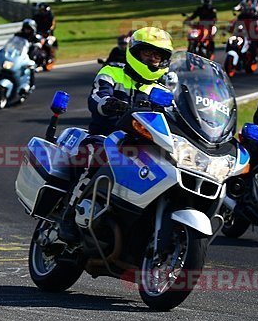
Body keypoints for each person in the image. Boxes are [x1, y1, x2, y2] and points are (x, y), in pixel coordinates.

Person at [59, 27, 173, 243]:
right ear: (135, 52)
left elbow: (175, 116)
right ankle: (70, 213)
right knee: (94, 154)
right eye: (147, 53)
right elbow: (96, 97)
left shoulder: (163, 90)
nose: (152, 59)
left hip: (143, 147)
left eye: (158, 55)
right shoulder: (112, 71)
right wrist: (109, 103)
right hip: (106, 136)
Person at [13, 19, 43, 88]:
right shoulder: (18, 34)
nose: (27, 30)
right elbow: (13, 42)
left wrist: (36, 45)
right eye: (25, 28)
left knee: (31, 66)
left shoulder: (35, 37)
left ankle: (31, 85)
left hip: (29, 56)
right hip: (18, 54)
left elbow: (39, 43)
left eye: (28, 28)